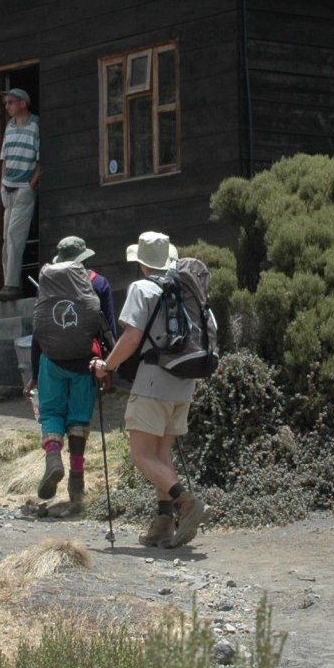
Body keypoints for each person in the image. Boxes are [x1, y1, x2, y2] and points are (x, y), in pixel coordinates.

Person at [90, 231, 204, 548]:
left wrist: (106, 365)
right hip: (184, 381)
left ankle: (186, 502)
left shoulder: (142, 288)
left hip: (154, 381)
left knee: (141, 456)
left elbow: (131, 338)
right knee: (161, 455)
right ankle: (163, 523)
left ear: (142, 263)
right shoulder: (186, 288)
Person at [26, 236, 119, 517]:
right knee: (79, 418)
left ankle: (53, 457)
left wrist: (34, 373)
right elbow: (108, 327)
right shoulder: (98, 283)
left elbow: (39, 329)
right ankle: (76, 479)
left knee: (51, 412)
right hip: (86, 361)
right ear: (83, 257)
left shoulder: (47, 282)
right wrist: (109, 367)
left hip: (51, 360)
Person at [0, 87, 40, 302]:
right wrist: (2, 183)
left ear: (22, 103)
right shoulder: (9, 126)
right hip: (8, 188)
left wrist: (31, 184)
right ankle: (9, 283)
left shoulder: (35, 125)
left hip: (23, 188)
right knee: (6, 238)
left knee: (14, 236)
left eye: (10, 102)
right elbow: (4, 157)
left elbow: (41, 158)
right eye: (6, 103)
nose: (7, 106)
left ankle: (11, 285)